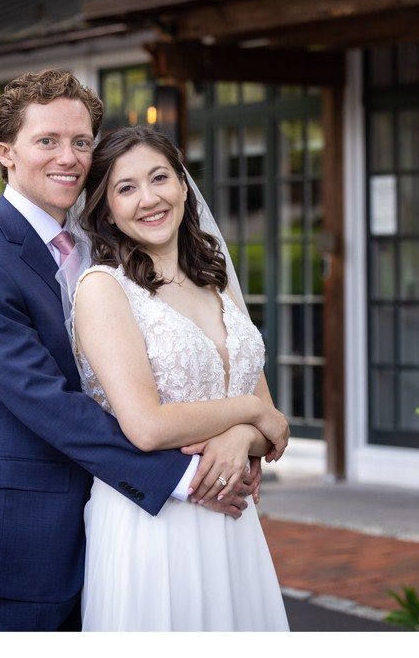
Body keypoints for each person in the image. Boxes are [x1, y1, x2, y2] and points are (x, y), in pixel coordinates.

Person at [0, 69, 268, 631]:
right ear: (5, 153)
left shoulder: (105, 249)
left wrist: (237, 435)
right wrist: (187, 477)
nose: (69, 157)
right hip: (20, 542)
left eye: (81, 142)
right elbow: (49, 403)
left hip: (113, 530)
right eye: (48, 141)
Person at [62, 125, 290, 630]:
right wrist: (252, 416)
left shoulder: (216, 277)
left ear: (184, 185)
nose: (149, 199)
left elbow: (262, 406)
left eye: (159, 177)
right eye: (126, 188)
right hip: (153, 520)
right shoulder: (104, 289)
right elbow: (146, 425)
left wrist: (241, 436)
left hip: (231, 517)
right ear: (106, 208)